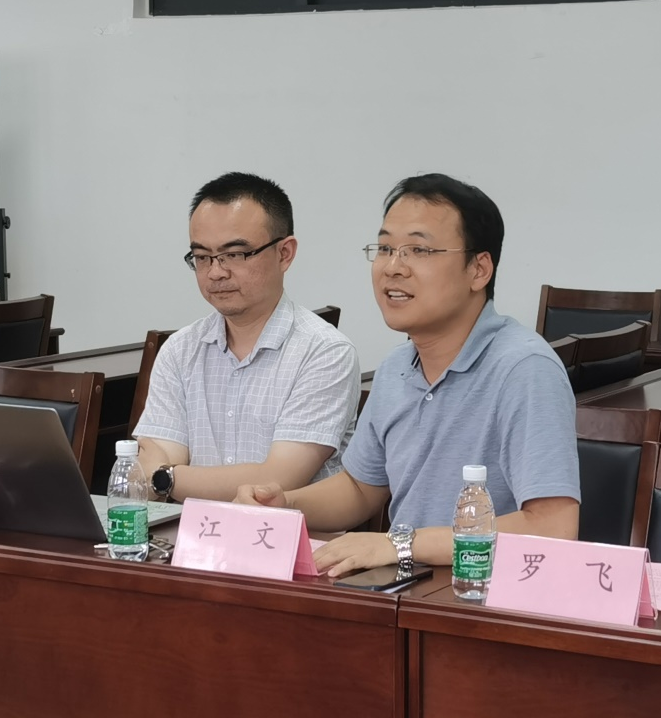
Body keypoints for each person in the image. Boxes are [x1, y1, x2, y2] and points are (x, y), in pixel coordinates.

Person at [237, 173, 580, 577]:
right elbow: (361, 488)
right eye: (385, 248)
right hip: (410, 588)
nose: (393, 268)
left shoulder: (524, 369)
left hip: (484, 591)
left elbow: (553, 528)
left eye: (419, 250)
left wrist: (398, 544)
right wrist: (287, 505)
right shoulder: (397, 367)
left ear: (478, 269)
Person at [134, 172, 359, 503]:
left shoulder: (324, 352)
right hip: (194, 533)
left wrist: (165, 478)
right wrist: (160, 475)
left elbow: (276, 481)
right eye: (202, 257)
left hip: (287, 534)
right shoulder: (180, 350)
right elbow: (147, 465)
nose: (216, 272)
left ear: (284, 253)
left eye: (235, 254)